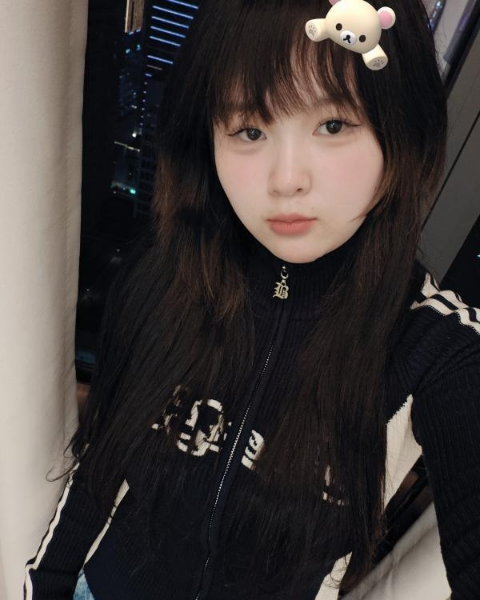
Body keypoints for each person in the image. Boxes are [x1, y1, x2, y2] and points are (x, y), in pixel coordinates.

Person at [24, 0, 480, 599]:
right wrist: (47, 584)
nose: (286, 179)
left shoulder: (434, 344)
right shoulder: (161, 278)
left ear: (402, 131)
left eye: (334, 125)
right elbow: (98, 465)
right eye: (250, 130)